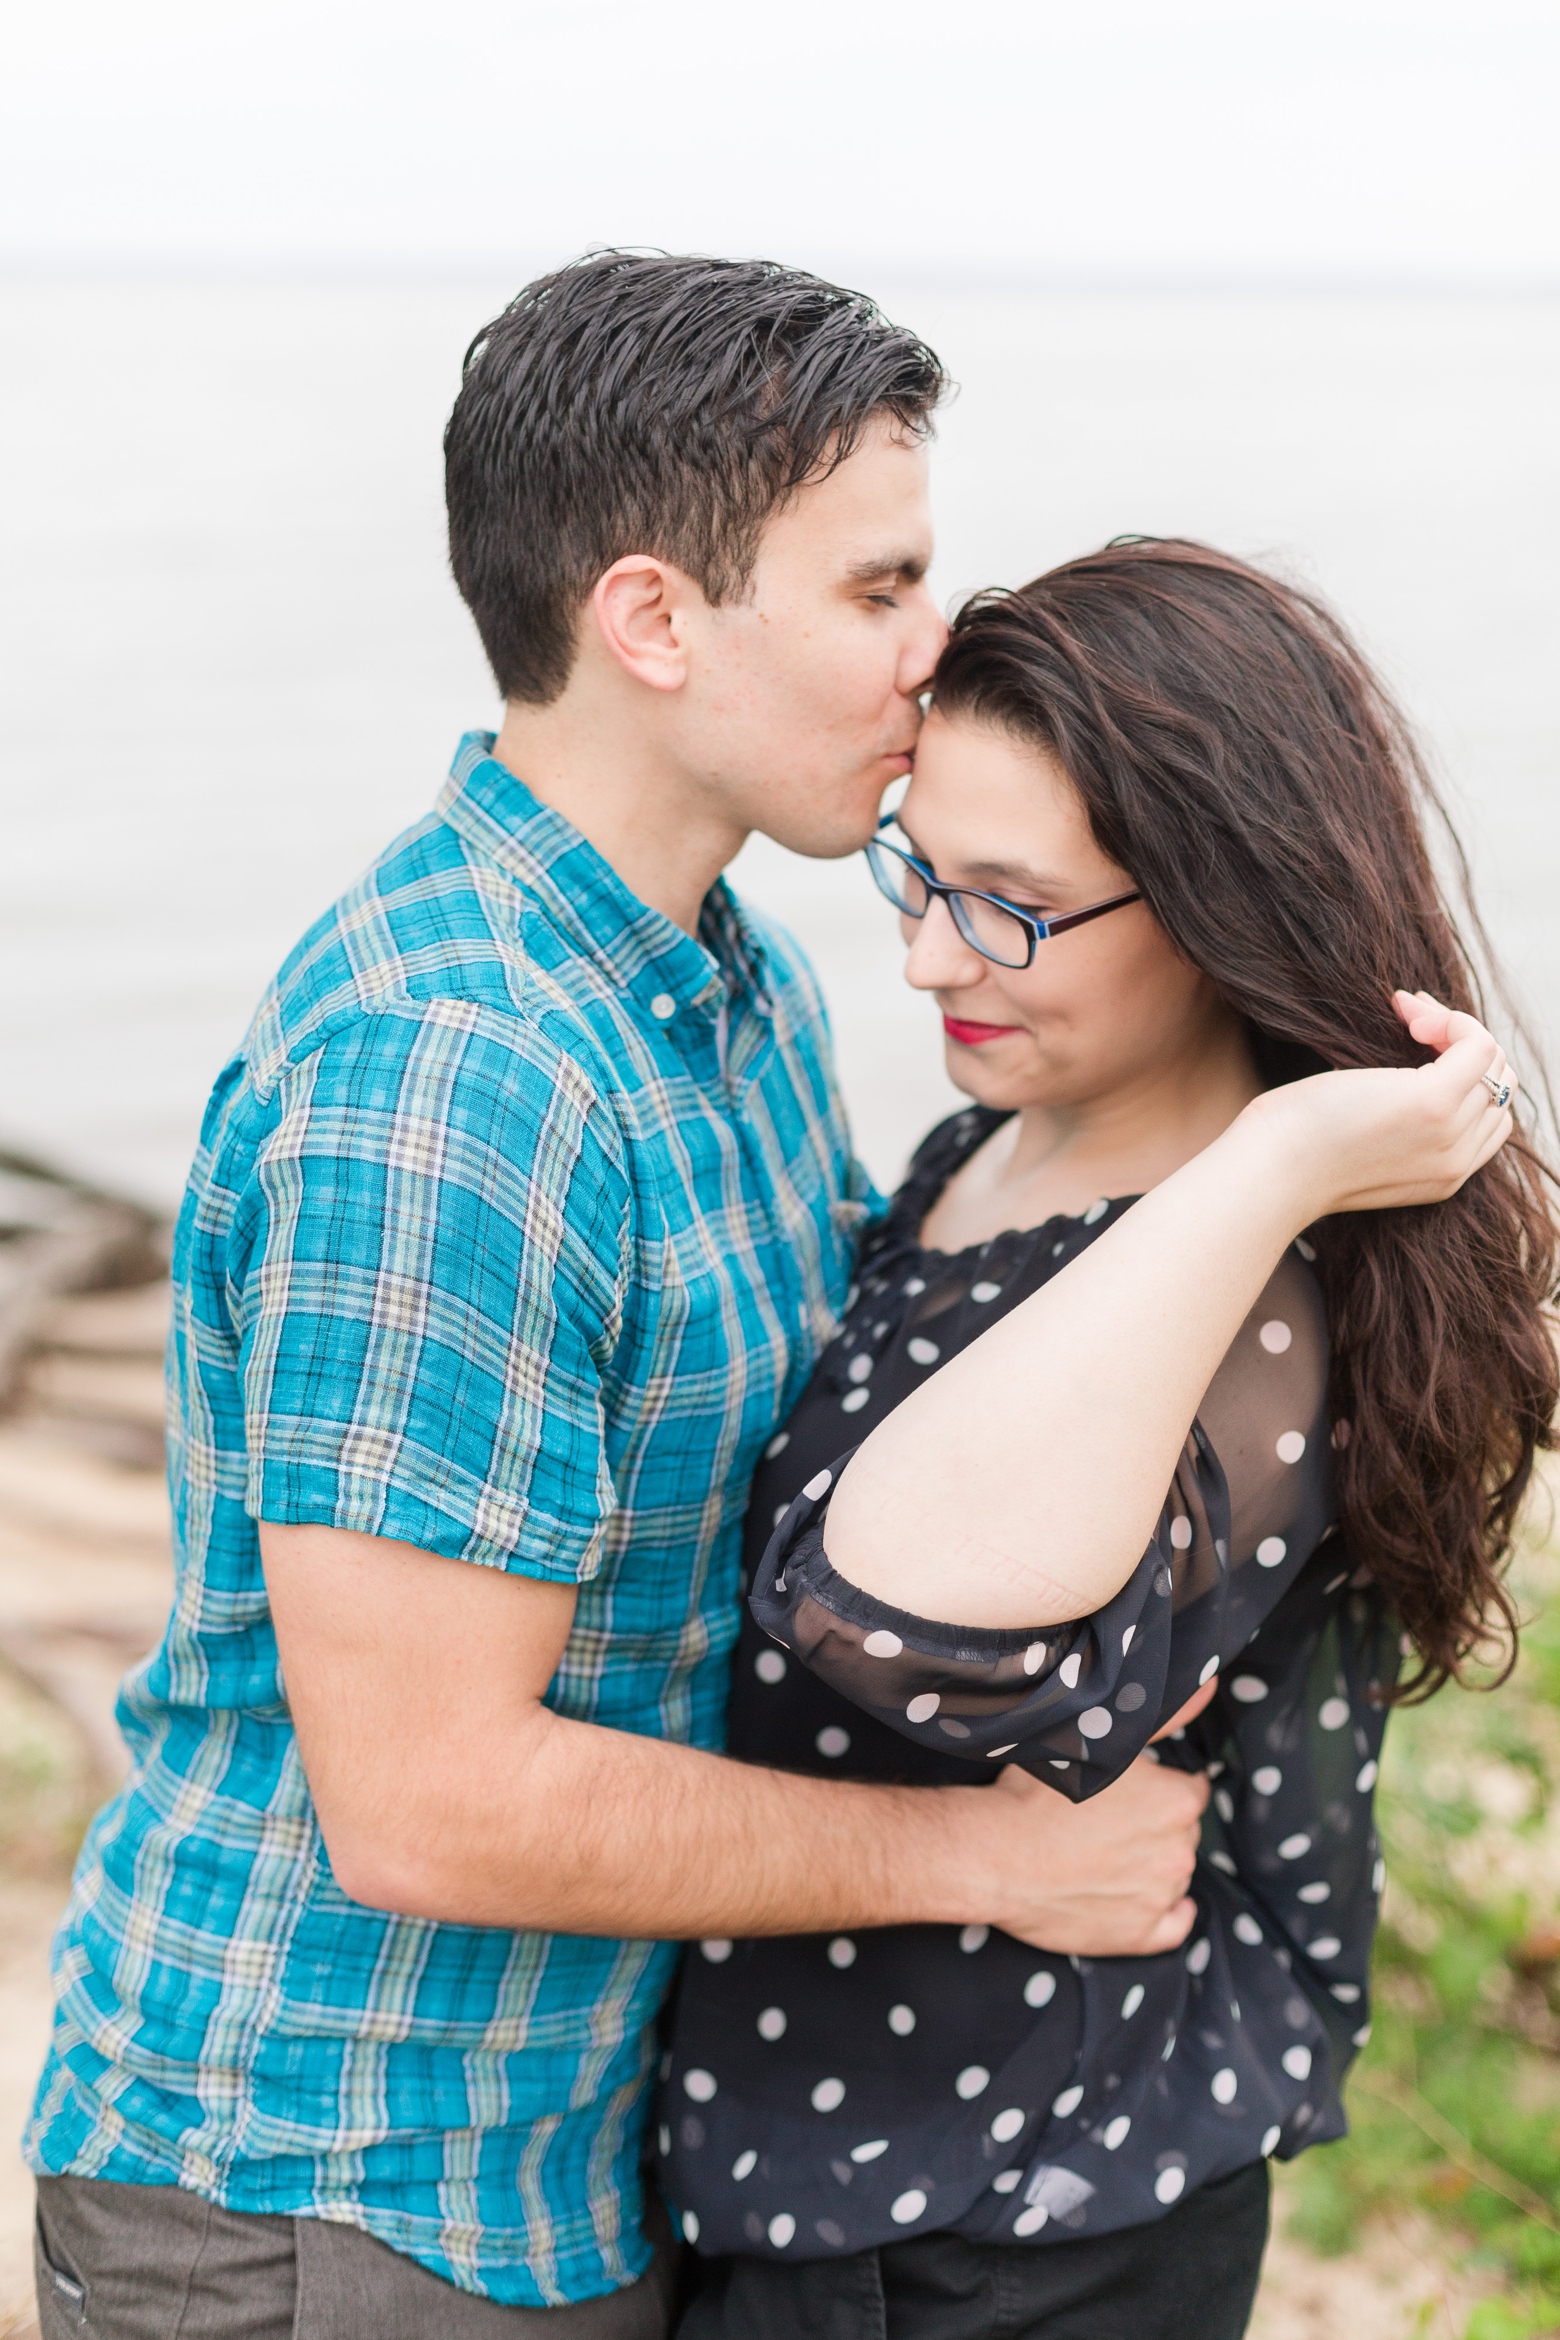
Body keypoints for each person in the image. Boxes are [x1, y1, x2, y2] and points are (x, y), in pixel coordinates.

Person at [24, 259, 1219, 2339]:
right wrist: (1003, 1862)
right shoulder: (456, 1078)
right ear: (656, 619)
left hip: (574, 2146)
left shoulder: (720, 977)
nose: (936, 660)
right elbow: (433, 1800)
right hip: (333, 2184)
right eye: (878, 590)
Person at [662, 541, 1558, 2339]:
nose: (927, 954)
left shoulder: (1262, 1293)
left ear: (1222, 902)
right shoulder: (998, 1145)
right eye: (921, 871)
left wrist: (1287, 1149)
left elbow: (893, 1612)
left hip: (1012, 2222)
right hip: (820, 2171)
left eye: (1006, 901)